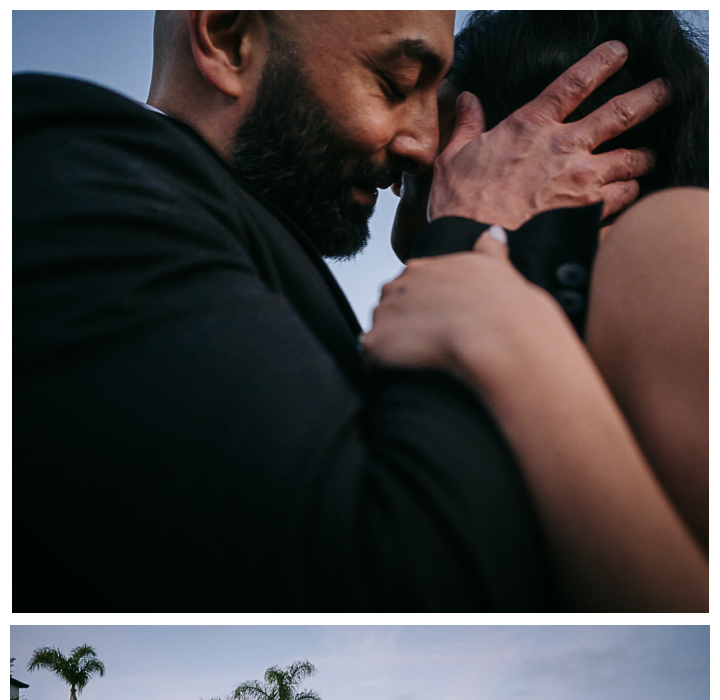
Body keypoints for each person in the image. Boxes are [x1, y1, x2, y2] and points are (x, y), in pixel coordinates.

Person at [13, 11, 669, 613]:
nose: (425, 144)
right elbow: (394, 576)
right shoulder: (67, 169)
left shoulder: (240, 257)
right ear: (229, 39)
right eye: (395, 82)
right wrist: (474, 231)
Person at [365, 10, 708, 611]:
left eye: (429, 102)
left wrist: (511, 341)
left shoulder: (672, 241)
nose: (408, 145)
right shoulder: (452, 295)